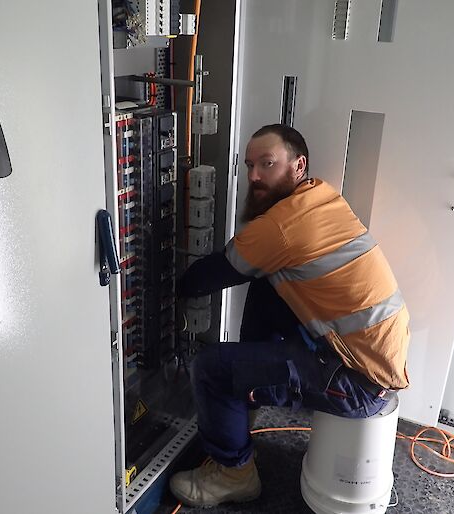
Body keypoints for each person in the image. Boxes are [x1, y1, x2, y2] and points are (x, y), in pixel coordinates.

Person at [169, 124, 410, 508]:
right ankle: (242, 399)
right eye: (249, 165)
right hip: (364, 357)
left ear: (298, 165)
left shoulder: (281, 227)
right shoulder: (321, 197)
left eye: (267, 163)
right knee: (267, 283)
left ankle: (234, 474)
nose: (254, 176)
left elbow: (204, 279)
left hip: (358, 383)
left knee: (210, 368)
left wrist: (164, 281)